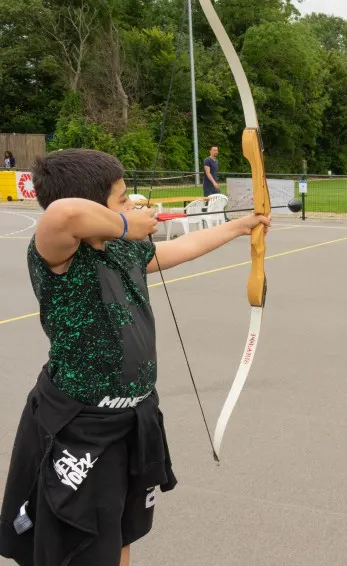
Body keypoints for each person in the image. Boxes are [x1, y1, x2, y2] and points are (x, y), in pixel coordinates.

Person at [0, 148, 270, 566]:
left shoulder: (123, 250)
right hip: (82, 424)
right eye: (122, 198)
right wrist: (129, 224)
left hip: (132, 417)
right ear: (95, 207)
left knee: (121, 530)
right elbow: (63, 214)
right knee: (79, 543)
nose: (132, 204)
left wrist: (239, 226)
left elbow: (180, 248)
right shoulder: (58, 255)